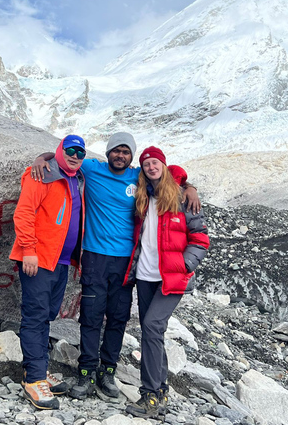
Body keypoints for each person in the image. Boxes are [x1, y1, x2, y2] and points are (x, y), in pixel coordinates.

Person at [30, 133, 200, 401]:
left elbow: (170, 173)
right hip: (95, 258)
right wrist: (42, 158)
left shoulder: (138, 177)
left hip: (127, 262)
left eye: (126, 152)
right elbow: (65, 157)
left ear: (131, 157)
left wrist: (190, 187)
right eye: (116, 151)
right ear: (107, 153)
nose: (120, 156)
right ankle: (85, 372)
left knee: (118, 318)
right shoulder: (92, 168)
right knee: (91, 316)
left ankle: (107, 371)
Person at [123, 146, 210, 419]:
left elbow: (200, 238)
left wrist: (185, 265)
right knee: (153, 333)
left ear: (163, 164)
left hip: (172, 278)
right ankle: (160, 392)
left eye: (155, 162)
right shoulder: (141, 196)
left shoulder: (183, 197)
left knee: (150, 325)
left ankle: (149, 394)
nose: (151, 167)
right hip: (145, 276)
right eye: (146, 163)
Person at [10, 134, 87, 410]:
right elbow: (24, 213)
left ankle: (35, 369)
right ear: (60, 150)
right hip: (38, 259)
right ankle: (34, 379)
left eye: (80, 152)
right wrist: (28, 249)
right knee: (35, 315)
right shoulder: (41, 174)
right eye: (70, 150)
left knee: (47, 315)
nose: (75, 155)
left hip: (61, 262)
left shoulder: (76, 178)